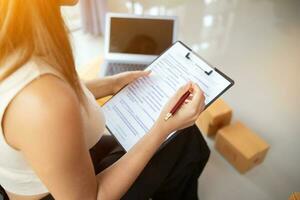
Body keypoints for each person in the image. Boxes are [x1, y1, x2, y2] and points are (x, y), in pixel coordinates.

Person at [0, 0, 210, 199]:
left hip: (55, 170)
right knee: (184, 141)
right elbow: (92, 197)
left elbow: (59, 90)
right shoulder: (42, 100)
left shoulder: (20, 39)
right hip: (58, 194)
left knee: (180, 140)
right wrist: (162, 128)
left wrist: (111, 84)